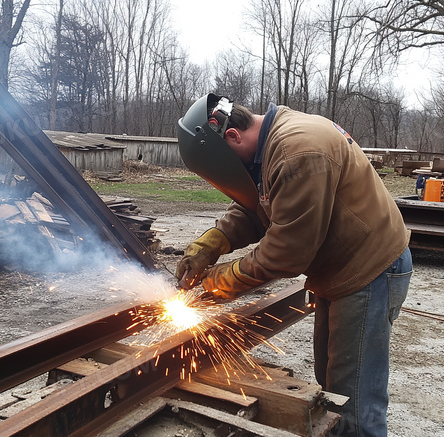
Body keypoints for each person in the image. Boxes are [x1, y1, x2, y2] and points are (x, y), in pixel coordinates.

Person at [175, 93, 412, 437]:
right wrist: (213, 242)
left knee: (353, 401)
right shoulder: (271, 142)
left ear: (231, 136)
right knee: (331, 380)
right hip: (340, 270)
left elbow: (285, 254)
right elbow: (257, 204)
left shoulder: (297, 151)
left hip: (367, 271)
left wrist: (218, 281)